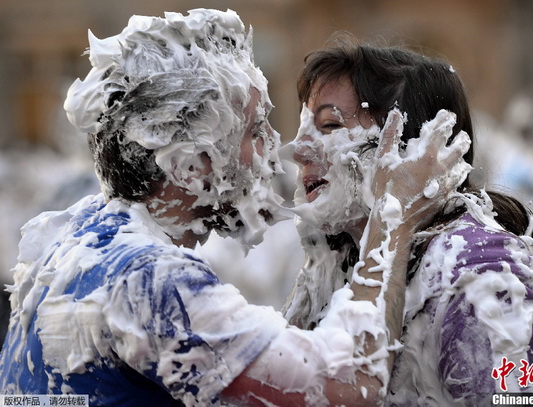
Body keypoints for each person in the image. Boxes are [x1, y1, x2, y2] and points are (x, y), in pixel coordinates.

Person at [0, 10, 471, 407]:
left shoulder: (81, 236)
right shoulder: (150, 283)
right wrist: (393, 215)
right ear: (188, 165)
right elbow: (350, 384)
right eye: (254, 130)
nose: (279, 148)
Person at [281, 35, 533, 406]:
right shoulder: (340, 264)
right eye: (305, 127)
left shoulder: (482, 273)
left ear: (410, 148)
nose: (296, 150)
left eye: (329, 125)